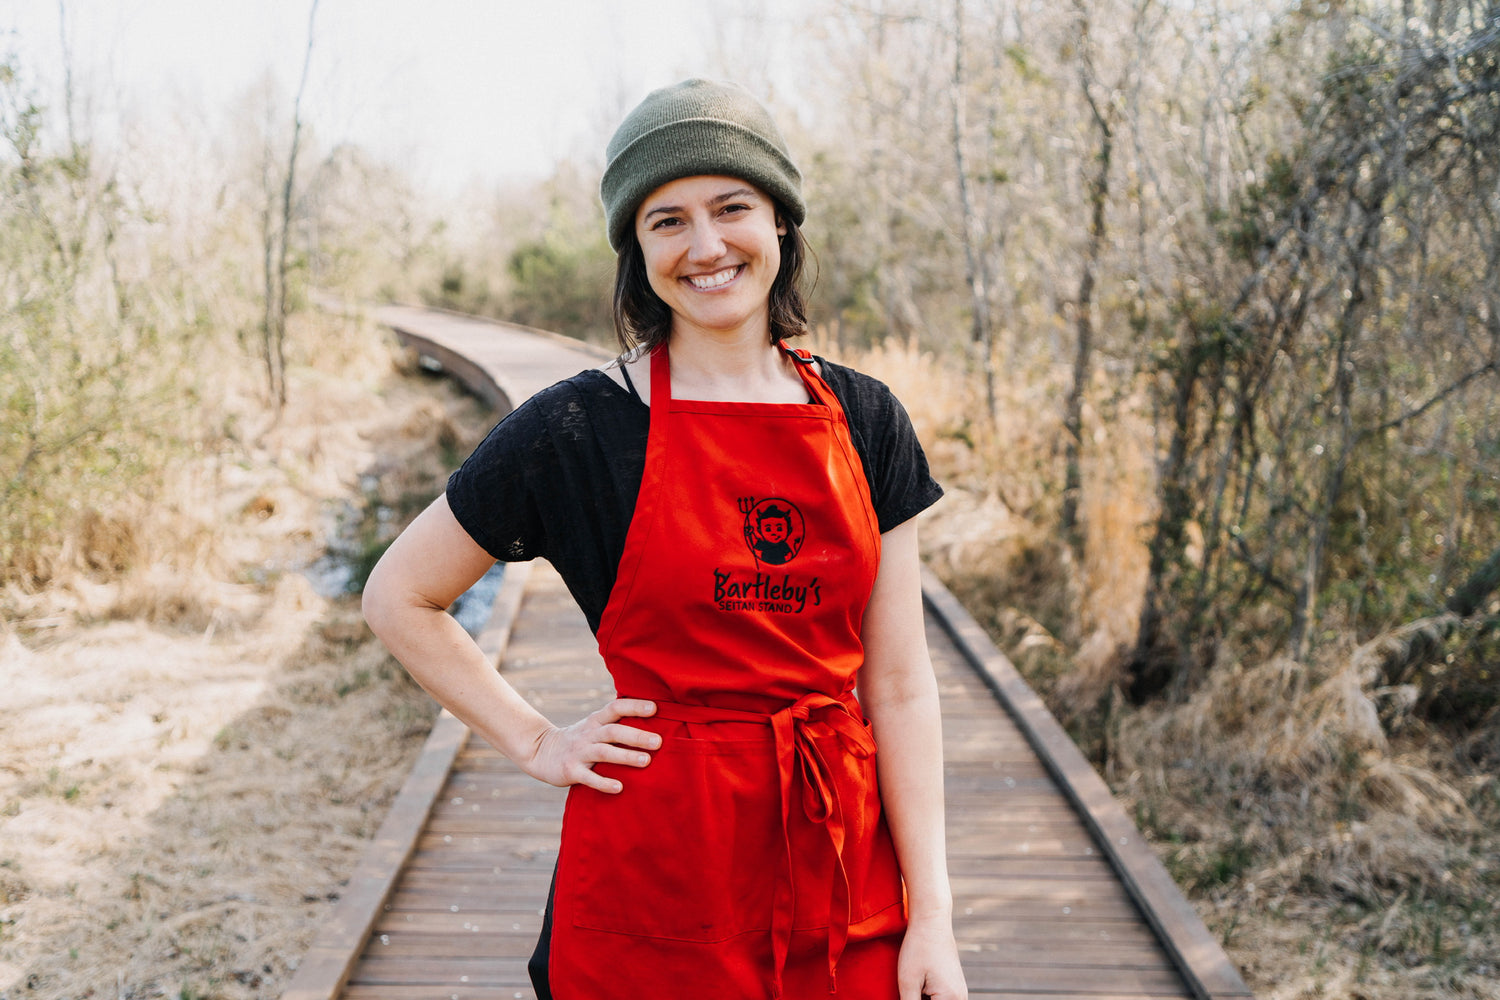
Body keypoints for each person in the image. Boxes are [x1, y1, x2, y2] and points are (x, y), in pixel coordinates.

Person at [363, 78, 967, 1000]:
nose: (707, 246)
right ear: (635, 250)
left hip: (840, 862)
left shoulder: (866, 417)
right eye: (667, 220)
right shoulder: (576, 428)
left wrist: (934, 918)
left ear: (780, 224)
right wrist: (536, 743)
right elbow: (399, 596)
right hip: (655, 875)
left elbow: (898, 685)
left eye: (733, 209)